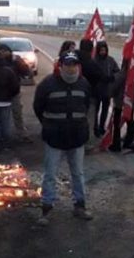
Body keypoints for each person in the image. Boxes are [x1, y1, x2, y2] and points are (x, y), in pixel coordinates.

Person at [33, 51, 93, 222]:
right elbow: (38, 107)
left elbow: (86, 105)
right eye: (68, 64)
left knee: (78, 174)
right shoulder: (47, 84)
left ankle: (80, 206)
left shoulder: (84, 84)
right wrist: (49, 125)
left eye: (74, 64)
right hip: (54, 138)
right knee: (50, 174)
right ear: (61, 65)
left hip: (77, 137)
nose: (71, 68)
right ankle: (46, 208)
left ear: (78, 66)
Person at [109, 50, 134, 153]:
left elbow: (117, 83)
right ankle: (129, 141)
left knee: (117, 122)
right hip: (133, 98)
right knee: (129, 119)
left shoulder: (127, 70)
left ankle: (116, 144)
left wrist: (110, 92)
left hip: (121, 98)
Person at [0, 45, 32, 140]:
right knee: (2, 114)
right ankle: (3, 134)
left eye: (4, 51)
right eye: (1, 52)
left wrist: (19, 63)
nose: (2, 54)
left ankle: (21, 132)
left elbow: (26, 72)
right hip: (1, 91)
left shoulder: (16, 59)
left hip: (14, 91)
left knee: (17, 112)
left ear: (9, 51)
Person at [77, 39, 106, 150]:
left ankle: (75, 140)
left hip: (72, 95)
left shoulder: (72, 58)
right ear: (91, 49)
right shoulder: (90, 62)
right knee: (89, 119)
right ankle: (87, 143)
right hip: (89, 95)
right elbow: (101, 76)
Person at [94, 41, 119, 138]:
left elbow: (117, 71)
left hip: (107, 91)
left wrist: (112, 77)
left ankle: (101, 127)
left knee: (105, 110)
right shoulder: (94, 60)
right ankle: (95, 128)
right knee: (95, 111)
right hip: (96, 91)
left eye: (104, 50)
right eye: (101, 50)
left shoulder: (110, 60)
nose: (102, 52)